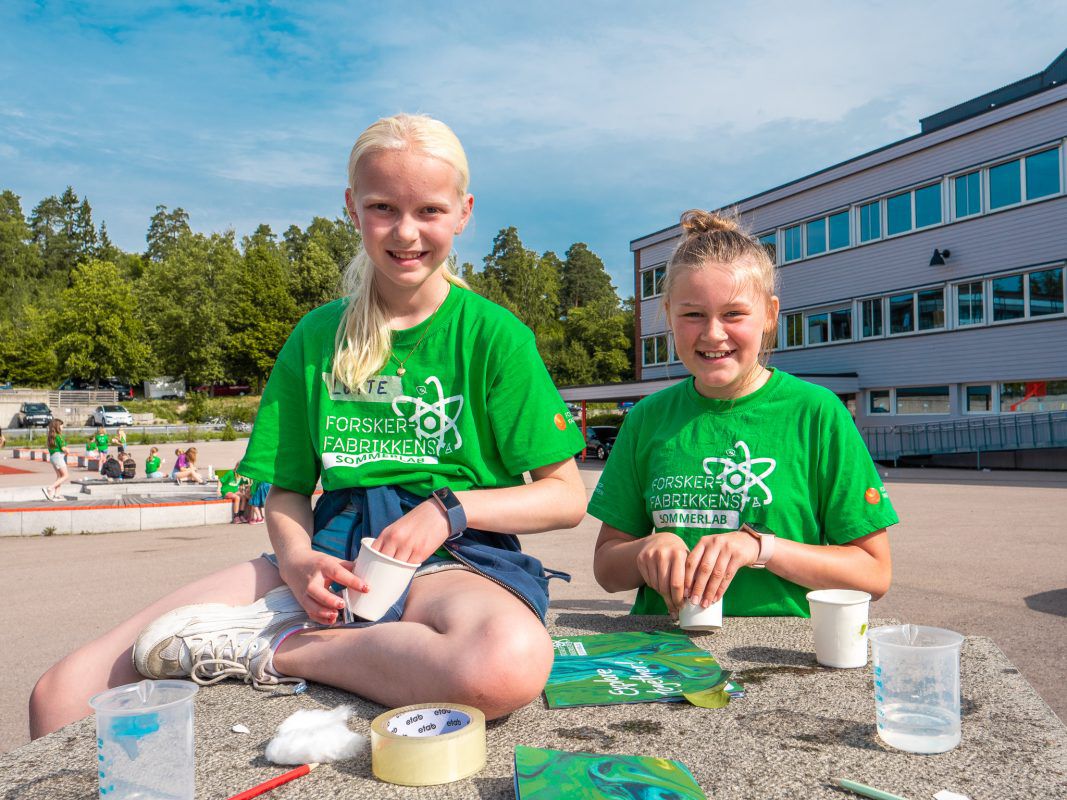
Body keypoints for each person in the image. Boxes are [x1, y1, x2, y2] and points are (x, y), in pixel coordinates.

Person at [29, 113, 587, 738]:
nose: (406, 232)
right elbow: (289, 488)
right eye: (382, 207)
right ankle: (294, 630)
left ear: (463, 212)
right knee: (62, 691)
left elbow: (566, 496)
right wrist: (297, 564)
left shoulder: (495, 336)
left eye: (429, 210)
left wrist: (448, 510)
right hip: (333, 553)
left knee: (505, 664)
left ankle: (276, 650)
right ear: (352, 208)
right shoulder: (316, 336)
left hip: (454, 557)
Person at [589, 210, 896, 619]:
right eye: (693, 314)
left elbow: (874, 574)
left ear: (769, 315)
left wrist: (761, 547)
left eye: (733, 314)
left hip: (782, 658)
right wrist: (645, 550)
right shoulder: (647, 418)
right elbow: (607, 570)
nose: (713, 333)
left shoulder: (817, 413)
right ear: (668, 314)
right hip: (666, 653)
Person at [43, 419, 69, 502]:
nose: (63, 427)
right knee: (65, 476)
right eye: (61, 425)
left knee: (59, 476)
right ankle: (50, 488)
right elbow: (63, 448)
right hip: (58, 457)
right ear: (57, 426)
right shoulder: (59, 436)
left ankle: (56, 495)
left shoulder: (51, 437)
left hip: (53, 457)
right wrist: (68, 450)